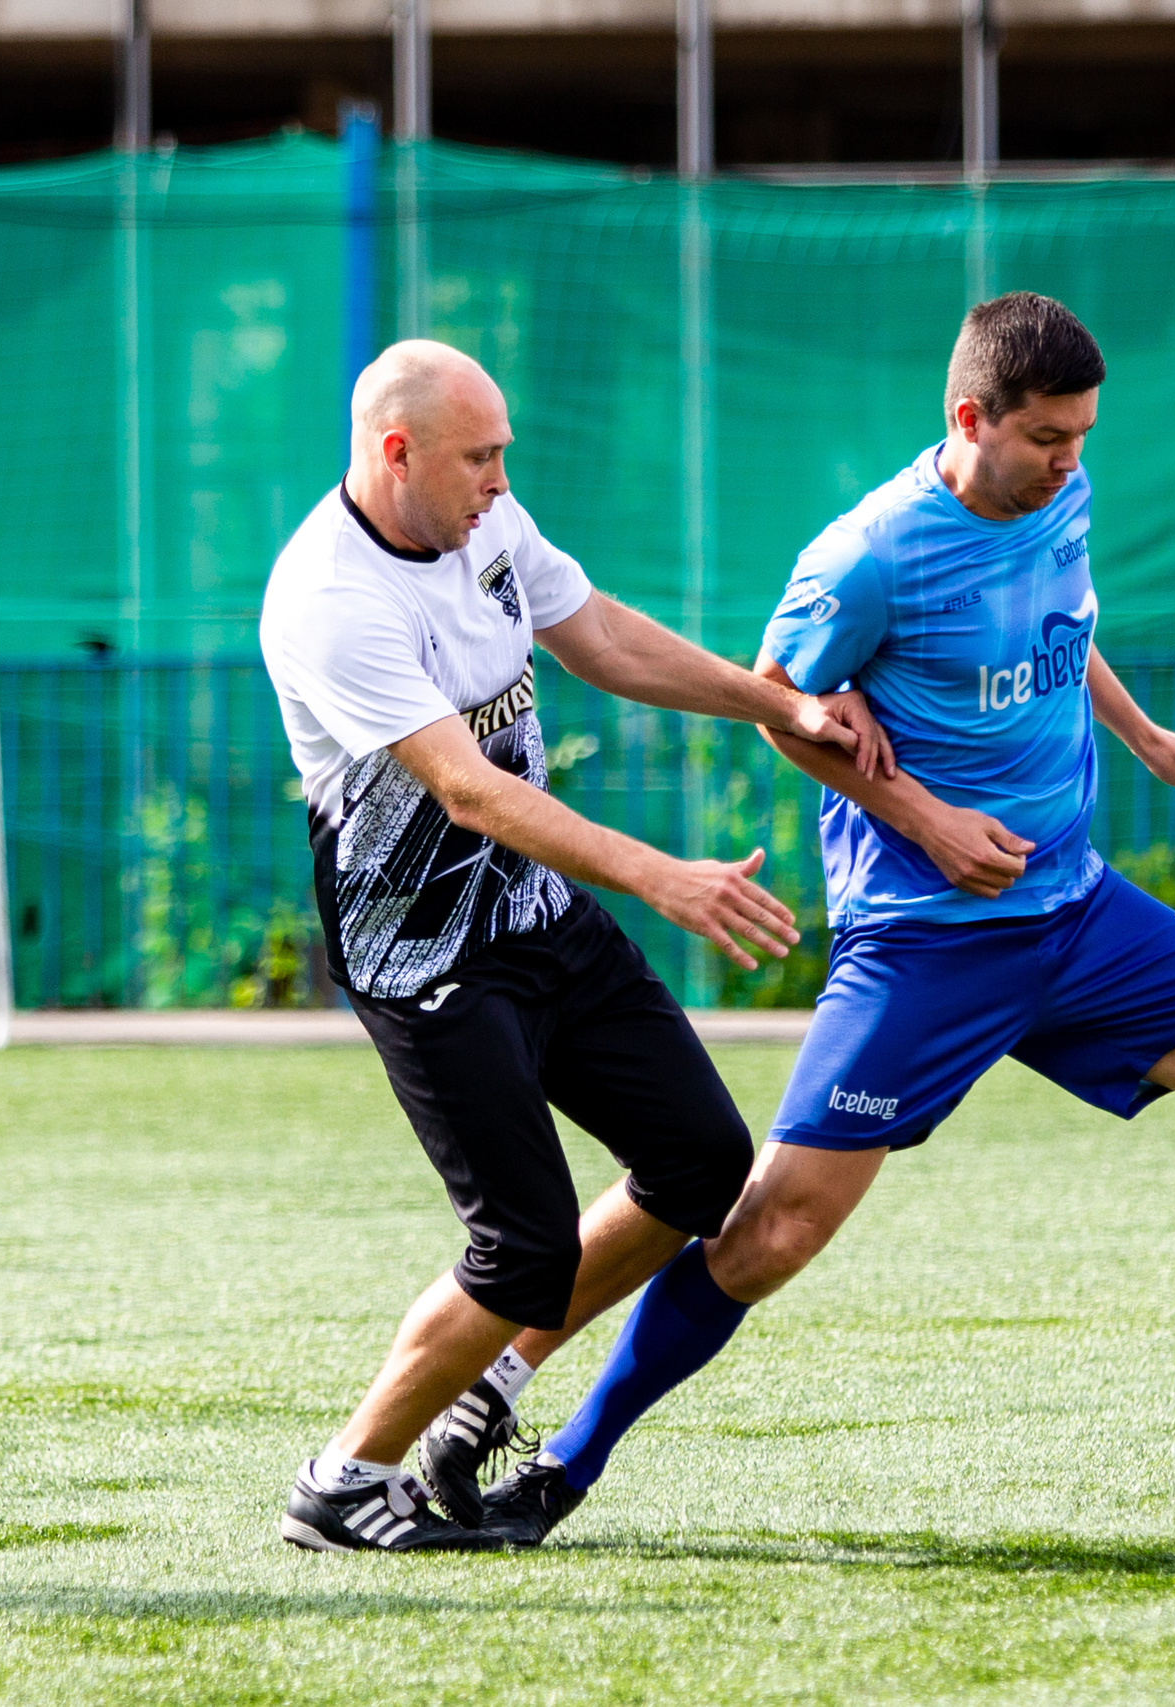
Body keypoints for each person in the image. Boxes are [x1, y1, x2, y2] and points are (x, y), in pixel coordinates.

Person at [451, 293, 1175, 1547]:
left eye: (1082, 438)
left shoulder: (1056, 497)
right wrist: (920, 815)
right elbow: (772, 701)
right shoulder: (868, 556)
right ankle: (562, 1470)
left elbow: (1058, 629)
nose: (1070, 463)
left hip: (1078, 914)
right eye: (1045, 439)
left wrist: (1144, 738)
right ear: (969, 418)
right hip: (925, 943)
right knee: (769, 1236)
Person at [259, 339, 883, 1551]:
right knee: (523, 1245)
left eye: (502, 454)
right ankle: (342, 1482)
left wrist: (782, 702)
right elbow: (471, 794)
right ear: (398, 454)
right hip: (428, 957)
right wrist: (663, 878)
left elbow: (599, 637)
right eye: (478, 457)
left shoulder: (479, 525)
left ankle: (484, 1390)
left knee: (702, 1163)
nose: (500, 479)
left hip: (542, 919)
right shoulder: (331, 599)